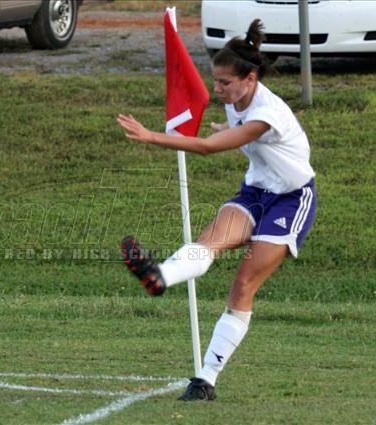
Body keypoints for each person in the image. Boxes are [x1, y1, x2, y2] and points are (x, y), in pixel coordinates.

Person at [117, 19, 317, 401]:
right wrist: (225, 127)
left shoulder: (267, 113)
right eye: (215, 80)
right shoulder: (236, 102)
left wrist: (152, 136)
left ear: (250, 79)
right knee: (208, 243)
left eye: (225, 82)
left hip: (291, 200)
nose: (217, 89)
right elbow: (236, 132)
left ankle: (205, 380)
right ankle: (158, 276)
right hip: (255, 192)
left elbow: (209, 148)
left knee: (242, 285)